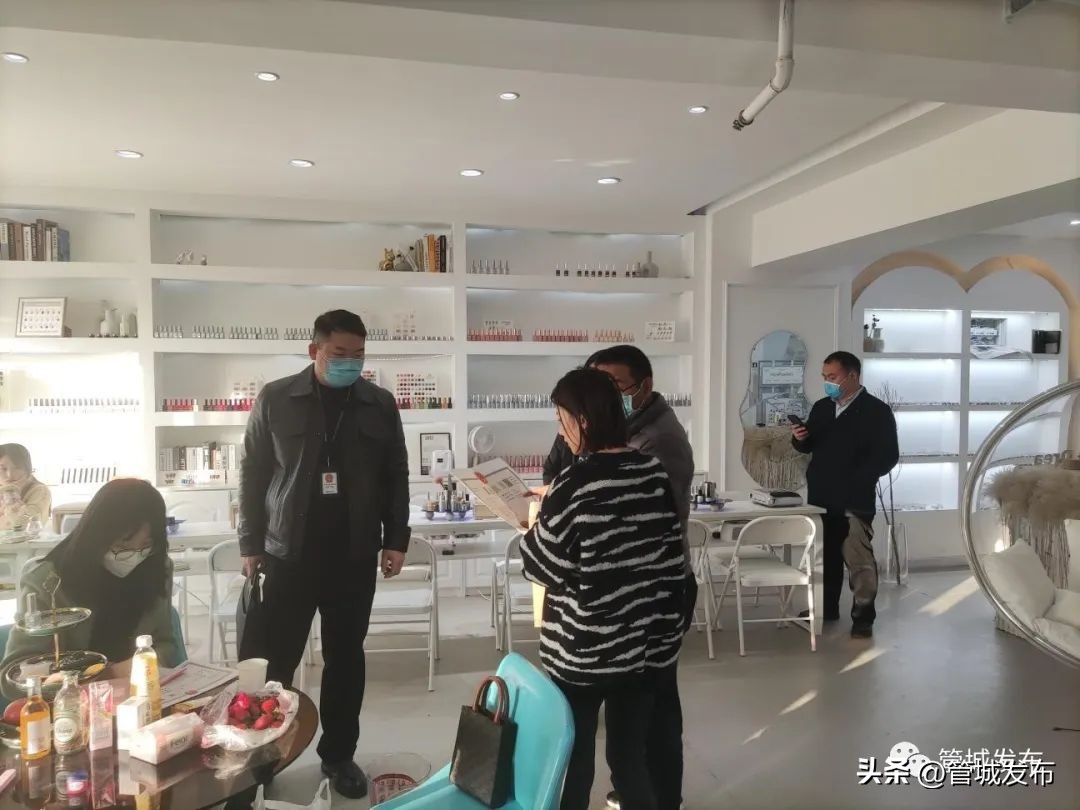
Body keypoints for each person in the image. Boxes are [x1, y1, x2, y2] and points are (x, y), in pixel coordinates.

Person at [238, 309, 410, 800]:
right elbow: (252, 473)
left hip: (353, 554)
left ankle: (338, 755)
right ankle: (264, 754)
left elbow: (395, 474)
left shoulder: (379, 404)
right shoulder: (276, 398)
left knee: (346, 660)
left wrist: (396, 538)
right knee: (277, 661)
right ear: (314, 350)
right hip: (287, 553)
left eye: (358, 355)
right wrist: (250, 543)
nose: (350, 363)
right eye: (339, 354)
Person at [521, 367, 686, 810]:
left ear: (583, 420)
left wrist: (529, 532)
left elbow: (543, 568)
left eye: (562, 420)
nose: (561, 431)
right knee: (629, 757)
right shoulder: (650, 471)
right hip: (641, 646)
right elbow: (670, 559)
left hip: (583, 650)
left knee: (573, 756)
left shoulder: (573, 483)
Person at [1, 478, 181, 698]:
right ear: (97, 537)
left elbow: (166, 644)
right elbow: (12, 677)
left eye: (146, 546)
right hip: (68, 705)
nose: (134, 556)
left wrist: (146, 662)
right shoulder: (47, 581)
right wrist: (103, 675)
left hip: (139, 699)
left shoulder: (155, 568)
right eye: (122, 546)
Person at [791, 351, 899, 639]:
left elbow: (888, 455)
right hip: (821, 497)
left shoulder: (877, 411)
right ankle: (825, 608)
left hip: (854, 498)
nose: (827, 382)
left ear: (852, 375)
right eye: (824, 377)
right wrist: (800, 439)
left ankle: (863, 617)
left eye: (833, 377)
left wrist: (859, 477)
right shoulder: (822, 408)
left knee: (858, 558)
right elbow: (809, 445)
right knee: (824, 557)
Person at [0, 443, 51, 531]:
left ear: (27, 468)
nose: (9, 475)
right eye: (3, 469)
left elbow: (26, 525)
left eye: (17, 468)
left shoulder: (40, 490)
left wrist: (10, 491)